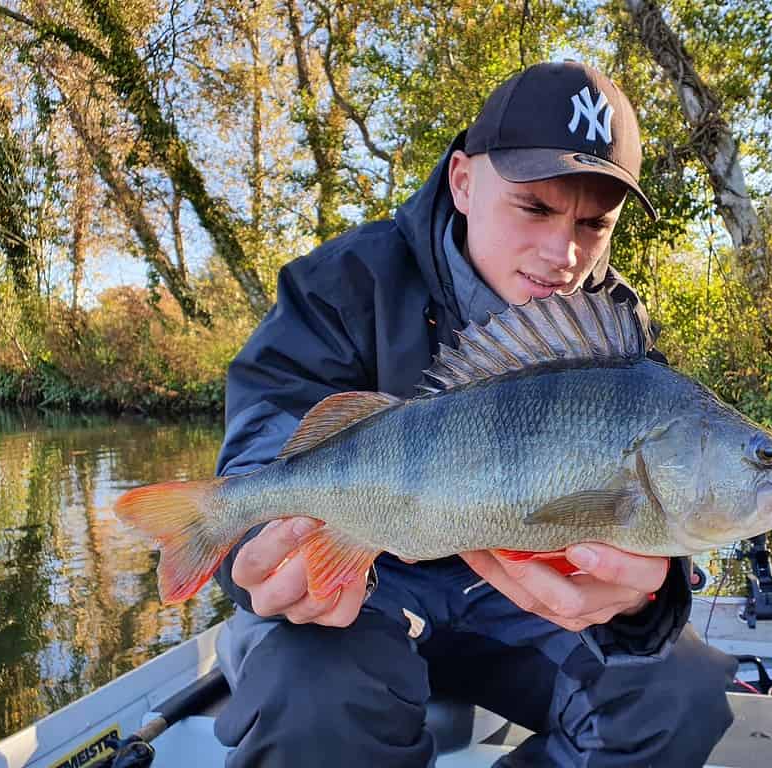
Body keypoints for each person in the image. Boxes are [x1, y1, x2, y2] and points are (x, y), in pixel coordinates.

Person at [211, 61, 737, 767]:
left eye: (594, 223)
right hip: (367, 583)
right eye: (535, 209)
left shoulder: (615, 332)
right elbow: (266, 431)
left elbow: (652, 498)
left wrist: (651, 591)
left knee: (674, 693)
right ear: (463, 181)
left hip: (522, 599)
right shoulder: (344, 282)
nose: (565, 253)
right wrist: (256, 539)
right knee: (311, 701)